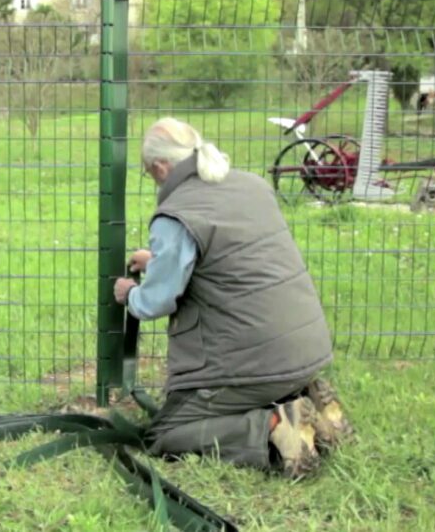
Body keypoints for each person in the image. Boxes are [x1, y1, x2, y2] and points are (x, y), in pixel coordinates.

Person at [112, 117, 353, 479]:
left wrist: (130, 295)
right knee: (255, 381)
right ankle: (309, 401)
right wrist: (159, 261)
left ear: (161, 167)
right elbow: (229, 260)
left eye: (150, 173)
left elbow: (157, 302)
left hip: (252, 363)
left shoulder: (177, 213)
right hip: (306, 349)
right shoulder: (251, 185)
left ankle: (272, 428)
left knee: (166, 433)